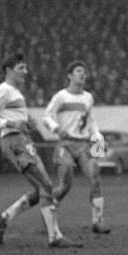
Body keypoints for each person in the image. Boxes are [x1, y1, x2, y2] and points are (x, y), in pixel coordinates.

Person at [0, 53, 79, 248]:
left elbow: (15, 115)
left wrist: (27, 120)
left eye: (26, 68)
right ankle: (54, 236)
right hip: (14, 142)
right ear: (9, 70)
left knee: (39, 190)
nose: (26, 72)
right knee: (47, 186)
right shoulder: (3, 90)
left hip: (22, 140)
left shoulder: (15, 92)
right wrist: (10, 123)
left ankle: (4, 218)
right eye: (21, 68)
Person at [43, 60, 108, 234]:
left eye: (84, 72)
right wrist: (56, 128)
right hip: (66, 144)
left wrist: (98, 139)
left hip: (84, 143)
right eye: (79, 71)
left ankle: (98, 222)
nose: (83, 74)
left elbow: (91, 121)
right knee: (65, 186)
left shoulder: (88, 97)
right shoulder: (61, 96)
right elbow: (47, 116)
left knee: (95, 178)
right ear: (70, 75)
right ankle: (48, 211)